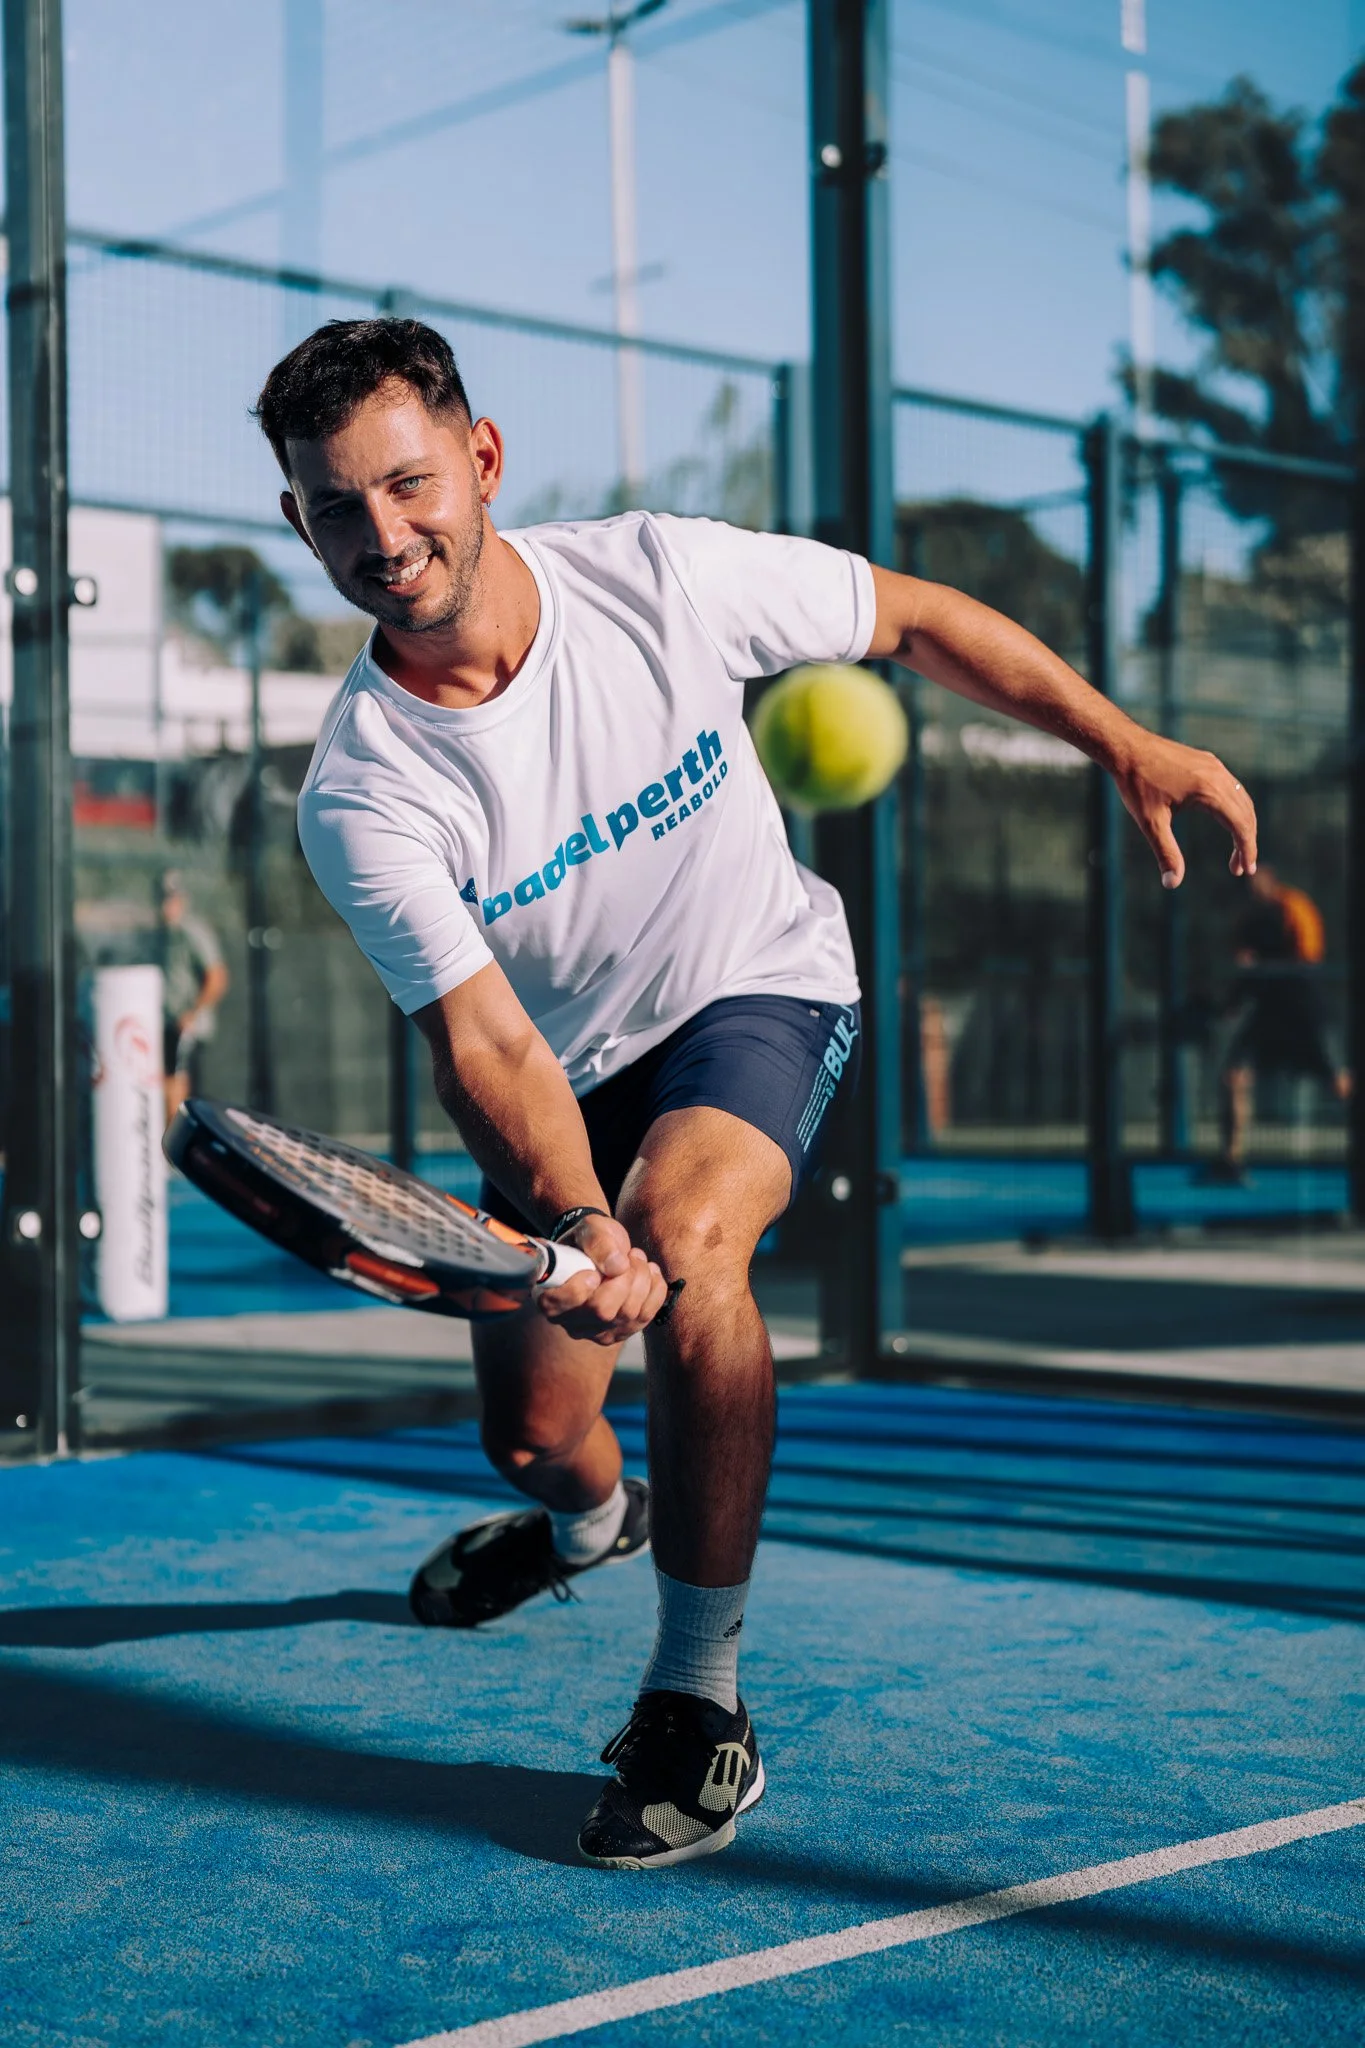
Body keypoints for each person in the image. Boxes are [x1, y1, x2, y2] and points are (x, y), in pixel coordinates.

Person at [253, 318, 1257, 1870]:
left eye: (409, 484)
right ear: (298, 521)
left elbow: (911, 618)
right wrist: (575, 1218)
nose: (382, 535)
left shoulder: (660, 576)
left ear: (484, 459)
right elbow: (488, 1045)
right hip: (558, 1076)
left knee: (688, 1243)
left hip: (756, 989)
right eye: (337, 508)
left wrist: (1118, 740)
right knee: (533, 1437)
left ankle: (696, 1699)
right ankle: (594, 1521)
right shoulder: (362, 791)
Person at [1214, 864, 1349, 1179]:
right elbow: (1246, 967)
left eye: (1254, 879)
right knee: (1234, 1076)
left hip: (1304, 1012)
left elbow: (1308, 959)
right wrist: (1234, 1001)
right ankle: (1231, 1160)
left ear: (1269, 877)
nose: (1250, 886)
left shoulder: (1294, 907)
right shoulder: (1247, 920)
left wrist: (1269, 969)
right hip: (1267, 1015)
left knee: (1340, 1083)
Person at [157, 870, 230, 1128]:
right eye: (163, 897)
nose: (167, 904)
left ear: (184, 899)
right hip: (167, 1024)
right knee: (166, 1082)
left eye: (173, 898)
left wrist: (192, 1014)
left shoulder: (193, 931)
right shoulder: (163, 934)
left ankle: (174, 1140)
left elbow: (217, 977)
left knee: (176, 1083)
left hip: (186, 1028)